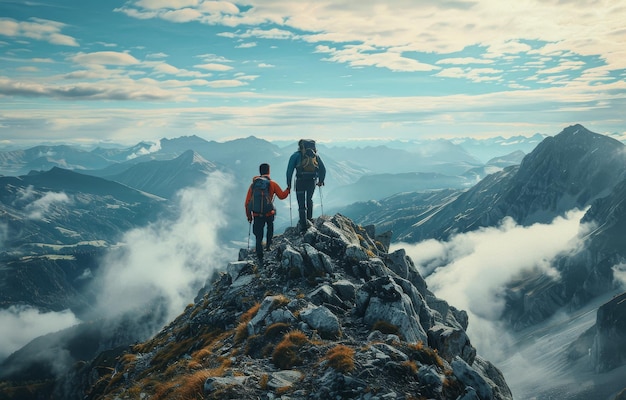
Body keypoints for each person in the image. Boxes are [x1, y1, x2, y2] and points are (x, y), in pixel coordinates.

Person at [245, 163, 290, 265]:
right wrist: (288, 189)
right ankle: (269, 245)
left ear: (260, 172)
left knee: (258, 237)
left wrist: (249, 216)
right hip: (269, 213)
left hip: (257, 215)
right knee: (270, 227)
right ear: (269, 171)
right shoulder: (272, 183)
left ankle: (260, 258)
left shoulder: (253, 185)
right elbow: (282, 196)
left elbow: (247, 203)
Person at [286, 139, 326, 232]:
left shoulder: (295, 156)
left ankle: (303, 224)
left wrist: (289, 184)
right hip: (312, 181)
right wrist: (321, 181)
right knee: (309, 200)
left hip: (300, 181)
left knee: (301, 204)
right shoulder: (315, 156)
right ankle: (309, 219)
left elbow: (289, 171)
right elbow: (323, 169)